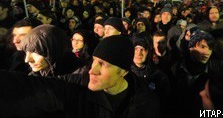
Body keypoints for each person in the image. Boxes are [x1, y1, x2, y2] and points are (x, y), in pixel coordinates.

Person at [0, 35, 162, 118]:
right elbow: (30, 87)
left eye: (103, 64)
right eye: (94, 62)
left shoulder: (147, 102)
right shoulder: (75, 86)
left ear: (123, 72)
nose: (92, 70)